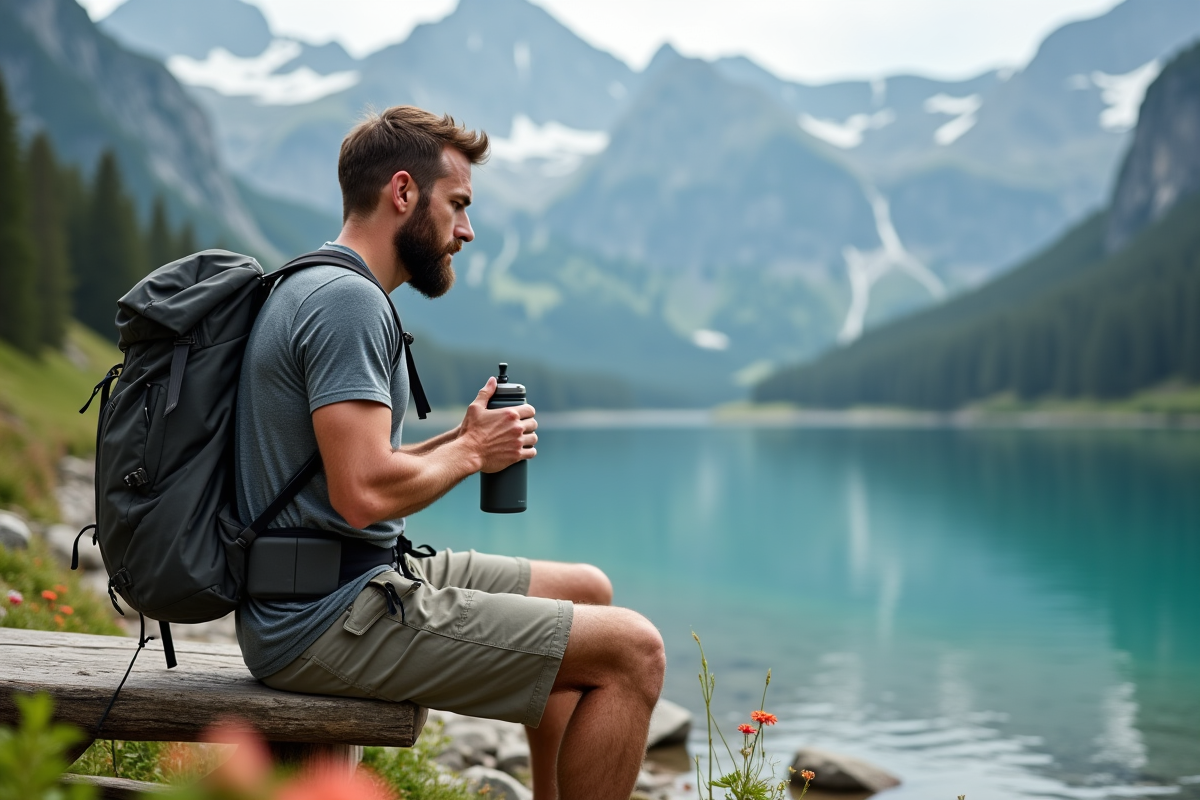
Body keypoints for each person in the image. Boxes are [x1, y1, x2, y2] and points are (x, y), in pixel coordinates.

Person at [233, 105, 666, 799]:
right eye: (458, 205)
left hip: (336, 580)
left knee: (588, 591)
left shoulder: (318, 282)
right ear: (403, 193)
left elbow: (345, 471)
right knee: (635, 651)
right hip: (325, 616)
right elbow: (362, 493)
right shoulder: (347, 303)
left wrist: (461, 441)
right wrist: (470, 455)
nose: (466, 231)